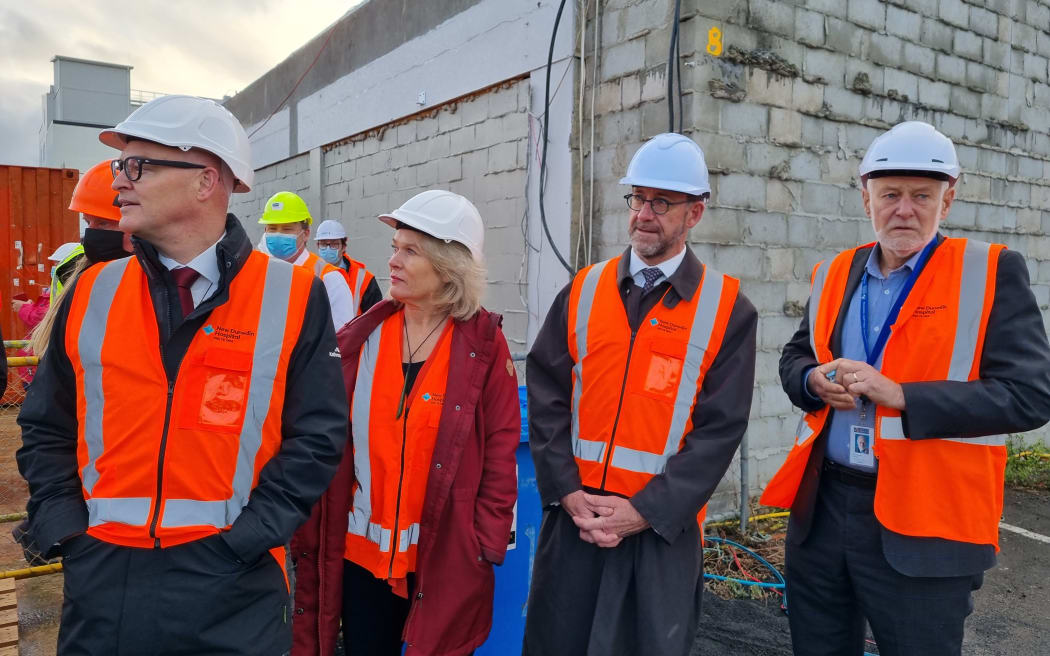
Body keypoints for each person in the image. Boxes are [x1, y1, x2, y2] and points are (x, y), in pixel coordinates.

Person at [15, 94, 348, 656]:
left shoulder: (293, 296)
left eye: (137, 164)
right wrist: (67, 531)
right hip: (103, 584)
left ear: (206, 181)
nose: (118, 180)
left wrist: (247, 540)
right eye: (122, 165)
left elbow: (317, 438)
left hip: (233, 589)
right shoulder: (92, 292)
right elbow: (46, 424)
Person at [761, 121, 1050, 656]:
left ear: (948, 200)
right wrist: (812, 380)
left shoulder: (990, 271)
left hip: (929, 522)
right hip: (824, 512)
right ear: (865, 194)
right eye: (890, 194)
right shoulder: (834, 272)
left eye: (922, 196)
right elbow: (796, 356)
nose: (904, 209)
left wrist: (904, 397)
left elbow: (1031, 395)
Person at [523, 133, 757, 656]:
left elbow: (719, 431)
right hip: (576, 523)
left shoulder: (728, 310)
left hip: (657, 537)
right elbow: (546, 392)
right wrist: (565, 489)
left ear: (694, 213)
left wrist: (645, 511)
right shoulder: (585, 289)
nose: (644, 214)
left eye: (662, 203)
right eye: (637, 199)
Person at [291, 190, 519, 656]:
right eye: (395, 247)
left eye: (409, 250)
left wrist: (485, 543)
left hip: (442, 556)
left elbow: (500, 449)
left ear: (448, 265)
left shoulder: (484, 346)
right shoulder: (363, 337)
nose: (391, 261)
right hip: (361, 557)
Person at [28, 159, 134, 357]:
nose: (91, 233)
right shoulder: (74, 268)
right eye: (87, 222)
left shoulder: (164, 276)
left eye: (103, 223)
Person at [258, 192, 356, 330]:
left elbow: (341, 338)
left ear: (306, 234)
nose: (279, 234)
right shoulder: (259, 272)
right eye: (272, 229)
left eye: (287, 229)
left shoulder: (328, 278)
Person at [315, 218, 382, 315]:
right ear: (318, 246)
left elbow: (375, 318)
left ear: (344, 246)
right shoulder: (309, 271)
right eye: (323, 244)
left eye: (334, 244)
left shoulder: (364, 279)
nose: (328, 248)